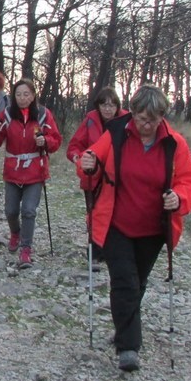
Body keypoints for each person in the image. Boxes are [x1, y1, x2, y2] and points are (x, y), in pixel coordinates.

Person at [78, 83, 191, 372]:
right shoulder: (118, 133)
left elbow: (189, 181)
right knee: (125, 281)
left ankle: (123, 326)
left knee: (138, 282)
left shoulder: (175, 143)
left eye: (153, 120)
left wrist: (178, 197)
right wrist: (88, 163)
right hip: (116, 222)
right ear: (132, 113)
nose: (146, 125)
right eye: (142, 118)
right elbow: (91, 161)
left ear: (162, 118)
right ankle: (129, 348)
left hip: (154, 228)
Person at [0, 79, 62, 268]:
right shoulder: (7, 115)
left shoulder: (43, 115)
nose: (22, 98)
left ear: (33, 95)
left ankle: (26, 250)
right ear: (13, 96)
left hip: (36, 170)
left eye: (26, 94)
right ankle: (15, 233)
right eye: (18, 94)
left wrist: (45, 141)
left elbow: (56, 140)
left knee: (28, 210)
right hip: (13, 170)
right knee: (11, 210)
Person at [66, 87, 129, 264]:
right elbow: (73, 147)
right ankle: (93, 251)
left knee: (116, 214)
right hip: (92, 177)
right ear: (98, 106)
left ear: (118, 106)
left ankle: (111, 249)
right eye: (104, 104)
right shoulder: (90, 120)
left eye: (112, 104)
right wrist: (79, 159)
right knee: (93, 213)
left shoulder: (127, 122)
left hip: (117, 178)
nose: (108, 109)